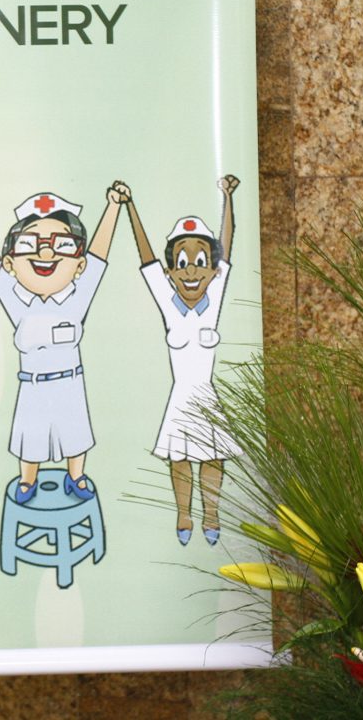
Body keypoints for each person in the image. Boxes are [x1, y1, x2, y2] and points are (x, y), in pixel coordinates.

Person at [0, 184, 121, 504]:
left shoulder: (77, 298)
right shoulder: (16, 299)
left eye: (61, 245)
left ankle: (76, 476)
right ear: (11, 262)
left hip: (70, 383)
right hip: (33, 385)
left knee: (75, 434)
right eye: (30, 244)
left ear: (79, 264)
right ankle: (27, 480)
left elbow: (99, 255)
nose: (46, 254)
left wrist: (113, 206)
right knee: (30, 438)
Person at [115, 176, 240, 546]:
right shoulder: (168, 304)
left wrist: (228, 198)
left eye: (201, 263)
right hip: (181, 398)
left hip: (207, 396)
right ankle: (184, 514)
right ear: (171, 273)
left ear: (213, 270)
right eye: (182, 264)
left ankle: (211, 513)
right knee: (180, 458)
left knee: (213, 457)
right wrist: (130, 205)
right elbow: (147, 258)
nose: (191, 272)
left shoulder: (213, 300)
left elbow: (227, 245)